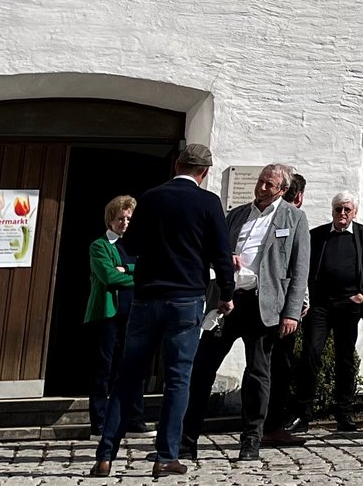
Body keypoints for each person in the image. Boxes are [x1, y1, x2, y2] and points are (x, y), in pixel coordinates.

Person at [91, 144, 233, 479]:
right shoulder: (208, 202)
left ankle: (105, 454)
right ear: (205, 172)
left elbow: (131, 245)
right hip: (185, 299)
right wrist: (226, 294)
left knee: (128, 377)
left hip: (147, 298)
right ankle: (166, 455)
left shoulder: (151, 198)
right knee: (178, 379)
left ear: (176, 165)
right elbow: (221, 254)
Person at [181, 164, 310, 462]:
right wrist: (225, 259)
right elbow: (214, 251)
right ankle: (186, 442)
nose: (262, 188)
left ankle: (251, 439)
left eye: (269, 185)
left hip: (263, 305)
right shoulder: (237, 214)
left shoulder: (294, 218)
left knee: (257, 373)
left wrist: (291, 313)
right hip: (228, 301)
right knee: (201, 369)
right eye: (260, 182)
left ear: (282, 190)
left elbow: (299, 269)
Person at [295, 192, 363, 433]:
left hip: (349, 305)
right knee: (310, 353)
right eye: (337, 209)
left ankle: (344, 412)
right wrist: (305, 299)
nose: (341, 214)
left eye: (346, 209)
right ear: (332, 211)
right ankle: (303, 413)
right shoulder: (318, 235)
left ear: (354, 212)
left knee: (345, 358)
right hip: (320, 305)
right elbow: (305, 268)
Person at [84, 196, 145, 437]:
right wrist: (135, 275)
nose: (125, 223)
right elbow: (109, 277)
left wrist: (128, 269)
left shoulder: (134, 246)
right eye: (121, 218)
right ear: (111, 219)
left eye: (129, 218)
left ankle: (134, 419)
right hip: (108, 315)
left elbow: (148, 270)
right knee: (104, 369)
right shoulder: (99, 246)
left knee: (133, 367)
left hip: (134, 315)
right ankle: (99, 421)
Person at [264, 169, 309, 445]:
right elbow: (298, 268)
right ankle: (271, 425)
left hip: (264, 303)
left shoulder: (268, 216)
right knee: (278, 368)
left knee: (262, 365)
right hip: (281, 307)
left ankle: (258, 421)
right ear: (300, 196)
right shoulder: (295, 218)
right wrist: (298, 305)